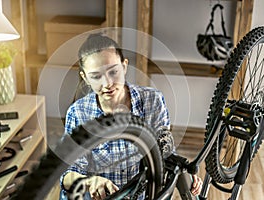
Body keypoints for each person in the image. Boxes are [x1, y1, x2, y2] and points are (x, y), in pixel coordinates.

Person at [60, 33, 203, 200]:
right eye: (96, 76)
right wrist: (91, 182)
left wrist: (185, 175)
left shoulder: (153, 100)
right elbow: (68, 174)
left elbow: (164, 151)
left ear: (124, 66)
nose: (107, 84)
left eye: (113, 72)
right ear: (85, 77)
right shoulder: (78, 113)